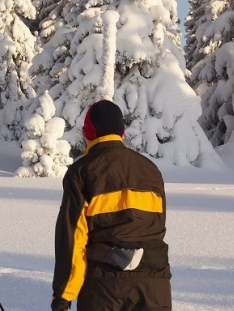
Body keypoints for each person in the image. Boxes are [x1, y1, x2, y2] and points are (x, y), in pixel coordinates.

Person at [51, 100, 171, 311]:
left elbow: (73, 238)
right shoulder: (151, 170)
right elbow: (157, 228)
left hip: (105, 286)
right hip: (154, 284)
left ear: (88, 133)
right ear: (122, 132)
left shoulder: (82, 172)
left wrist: (64, 295)